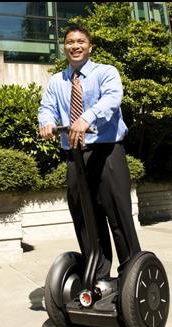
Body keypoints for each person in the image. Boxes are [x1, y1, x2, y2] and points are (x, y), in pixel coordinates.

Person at [38, 25, 141, 281]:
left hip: (107, 152)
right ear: (64, 48)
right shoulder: (57, 81)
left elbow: (111, 99)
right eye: (70, 42)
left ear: (90, 46)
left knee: (118, 216)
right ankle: (99, 276)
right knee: (85, 218)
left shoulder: (106, 72)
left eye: (80, 41)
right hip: (75, 155)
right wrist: (47, 122)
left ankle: (132, 277)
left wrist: (86, 118)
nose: (75, 46)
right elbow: (46, 107)